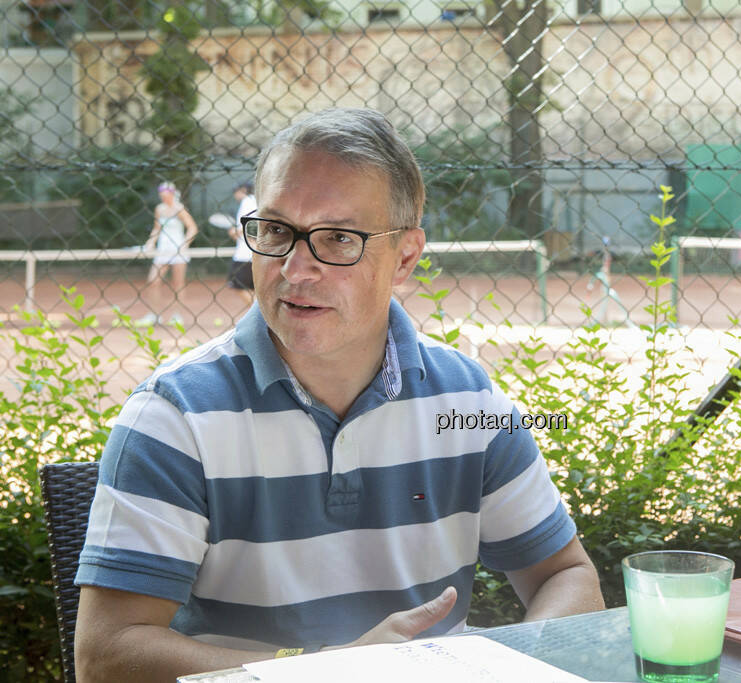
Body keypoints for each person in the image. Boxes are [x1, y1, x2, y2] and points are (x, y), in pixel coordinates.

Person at [74, 107, 604, 682]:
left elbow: (564, 575)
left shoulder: (470, 403)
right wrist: (321, 672)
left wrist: (520, 669)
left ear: (405, 256)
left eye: (338, 238)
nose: (295, 269)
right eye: (276, 231)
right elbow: (107, 655)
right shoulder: (176, 416)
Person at [139, 181, 199, 326]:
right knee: (153, 281)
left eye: (166, 195)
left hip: (178, 250)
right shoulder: (159, 209)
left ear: (172, 194)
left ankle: (177, 316)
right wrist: (150, 242)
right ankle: (155, 315)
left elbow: (192, 228)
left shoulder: (179, 208)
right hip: (162, 250)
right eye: (162, 195)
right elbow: (157, 228)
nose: (164, 198)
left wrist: (184, 245)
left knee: (178, 284)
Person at [226, 181, 257, 305]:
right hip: (254, 252)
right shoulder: (256, 200)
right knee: (253, 289)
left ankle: (259, 315)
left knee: (237, 285)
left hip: (245, 254)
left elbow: (250, 225)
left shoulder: (248, 201)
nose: (235, 195)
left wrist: (235, 231)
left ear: (243, 190)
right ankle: (260, 316)